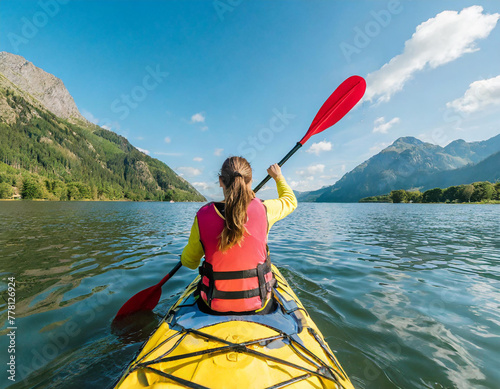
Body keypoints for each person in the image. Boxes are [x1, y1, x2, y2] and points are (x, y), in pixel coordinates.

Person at [181, 156, 297, 315]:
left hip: (212, 304)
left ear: (221, 181)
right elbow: (290, 201)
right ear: (250, 181)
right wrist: (278, 177)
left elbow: (190, 262)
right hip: (259, 303)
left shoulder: (202, 216)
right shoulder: (265, 209)